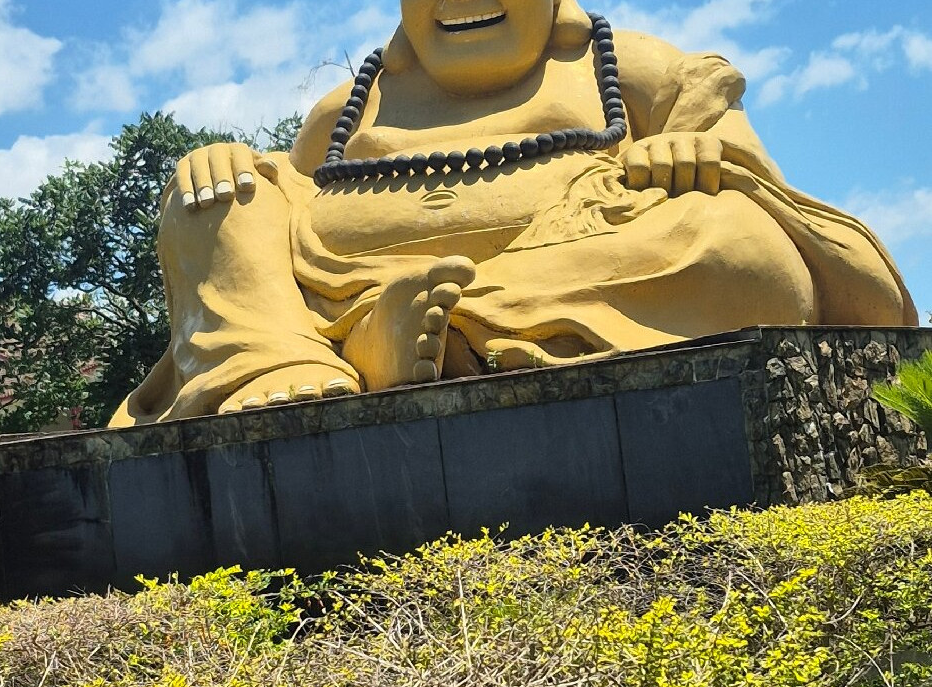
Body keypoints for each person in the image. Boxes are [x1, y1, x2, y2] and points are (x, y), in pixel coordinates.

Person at [109, 0, 916, 427]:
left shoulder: (624, 66)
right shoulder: (347, 112)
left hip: (577, 270)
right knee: (211, 191)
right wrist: (226, 172)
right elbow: (268, 222)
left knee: (738, 248)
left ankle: (432, 335)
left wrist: (688, 155)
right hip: (337, 293)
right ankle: (286, 363)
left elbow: (766, 195)